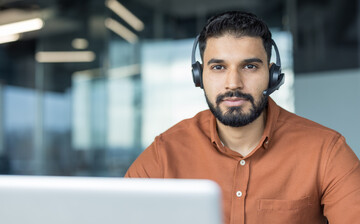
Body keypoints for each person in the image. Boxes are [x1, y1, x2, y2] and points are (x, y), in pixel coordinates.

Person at [125, 11, 360, 224]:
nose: (233, 83)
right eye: (218, 67)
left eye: (249, 67)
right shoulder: (164, 154)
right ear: (199, 76)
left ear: (272, 74)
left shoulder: (326, 151)